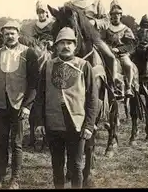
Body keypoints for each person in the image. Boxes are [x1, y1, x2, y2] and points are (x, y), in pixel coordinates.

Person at [33, 27, 99, 189]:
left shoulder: (84, 66)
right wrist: (40, 122)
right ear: (56, 46)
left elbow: (92, 98)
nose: (66, 46)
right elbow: (40, 97)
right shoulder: (48, 66)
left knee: (76, 166)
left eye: (69, 43)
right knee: (56, 166)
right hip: (53, 122)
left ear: (75, 46)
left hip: (76, 123)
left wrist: (89, 125)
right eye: (62, 43)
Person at [0, 20, 39, 189]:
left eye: (12, 33)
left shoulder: (28, 53)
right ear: (2, 35)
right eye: (6, 33)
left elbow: (34, 83)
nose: (9, 36)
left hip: (18, 105)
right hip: (1, 104)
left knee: (16, 143)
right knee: (1, 142)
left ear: (18, 34)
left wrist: (27, 106)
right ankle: (0, 176)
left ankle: (15, 179)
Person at [64, 0, 122, 99]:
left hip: (94, 38)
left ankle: (113, 87)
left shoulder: (97, 3)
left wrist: (95, 23)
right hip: (73, 39)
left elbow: (106, 20)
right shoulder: (69, 5)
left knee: (111, 57)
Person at [104, 0, 136, 98]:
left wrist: (120, 49)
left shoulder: (125, 29)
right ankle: (113, 87)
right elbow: (102, 40)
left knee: (128, 65)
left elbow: (131, 45)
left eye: (117, 14)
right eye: (113, 14)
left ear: (120, 15)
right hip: (109, 53)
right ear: (110, 15)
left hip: (122, 54)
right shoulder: (106, 28)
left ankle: (128, 87)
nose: (115, 16)